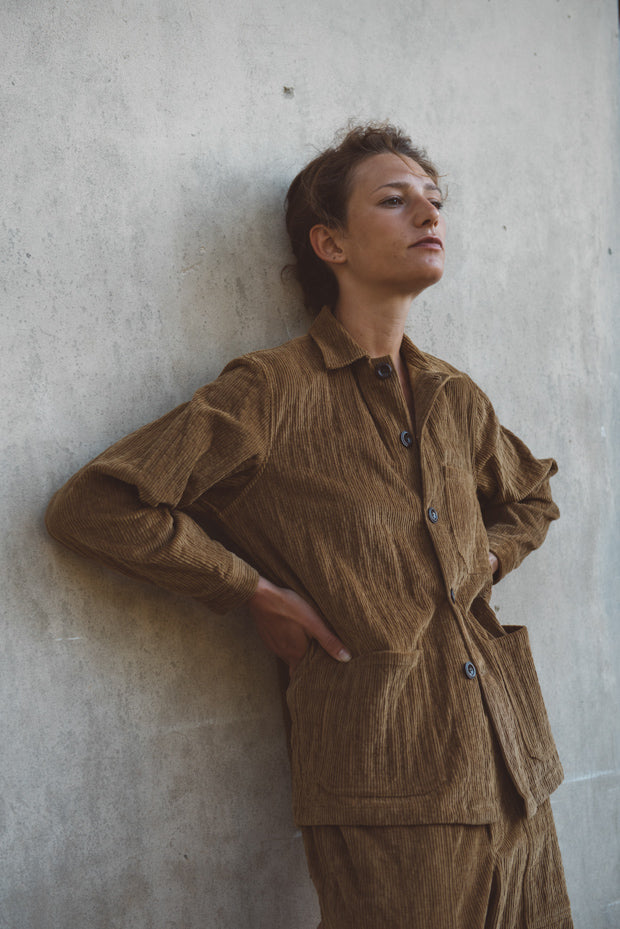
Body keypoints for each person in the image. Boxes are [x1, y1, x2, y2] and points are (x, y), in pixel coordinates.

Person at [46, 124, 573, 928]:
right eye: (394, 201)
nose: (428, 214)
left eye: (436, 199)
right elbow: (99, 505)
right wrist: (250, 589)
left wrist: (481, 560)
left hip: (514, 769)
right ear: (328, 242)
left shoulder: (453, 396)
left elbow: (530, 499)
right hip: (388, 780)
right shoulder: (271, 390)